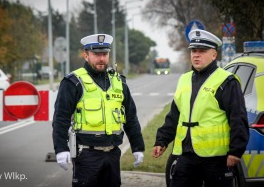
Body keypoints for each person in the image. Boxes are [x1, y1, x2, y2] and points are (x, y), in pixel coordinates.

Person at [152, 29, 249, 187]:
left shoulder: (226, 81)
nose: (196, 55)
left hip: (216, 159)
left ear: (214, 55)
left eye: (202, 51)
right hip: (187, 156)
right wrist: (162, 141)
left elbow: (238, 118)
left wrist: (235, 151)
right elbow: (174, 116)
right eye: (193, 51)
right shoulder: (184, 80)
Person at [52, 34, 145, 187]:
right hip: (86, 155)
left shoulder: (118, 82)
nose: (101, 58)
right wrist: (61, 149)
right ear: (86, 55)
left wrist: (138, 147)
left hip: (113, 154)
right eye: (96, 54)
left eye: (105, 54)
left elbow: (131, 117)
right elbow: (61, 118)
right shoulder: (73, 82)